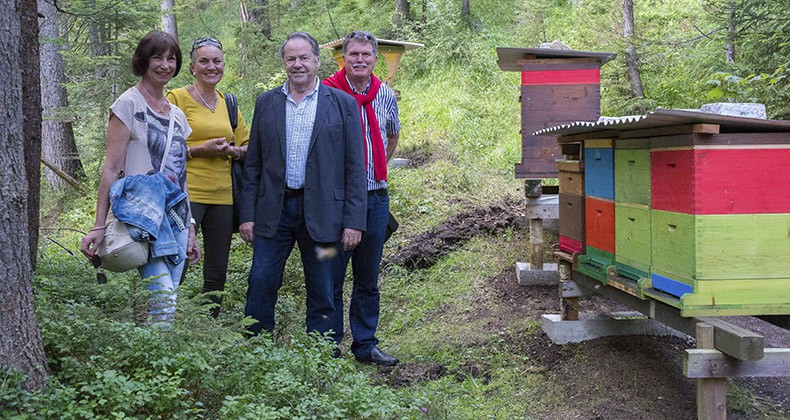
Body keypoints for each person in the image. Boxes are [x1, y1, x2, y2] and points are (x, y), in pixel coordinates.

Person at [239, 32, 367, 339]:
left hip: (325, 216)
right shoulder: (267, 103)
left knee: (324, 285)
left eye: (304, 58)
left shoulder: (342, 104)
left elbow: (355, 168)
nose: (298, 65)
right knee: (261, 279)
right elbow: (253, 164)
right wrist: (247, 214)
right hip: (274, 212)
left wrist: (353, 221)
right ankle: (255, 347)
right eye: (291, 58)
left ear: (317, 61)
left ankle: (323, 355)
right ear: (284, 63)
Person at [80, 30, 201, 323]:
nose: (165, 65)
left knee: (168, 294)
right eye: (157, 57)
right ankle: (157, 362)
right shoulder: (127, 105)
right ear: (143, 61)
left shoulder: (177, 115)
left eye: (171, 59)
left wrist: (192, 226)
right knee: (164, 299)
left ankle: (152, 354)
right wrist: (99, 225)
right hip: (142, 217)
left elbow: (180, 174)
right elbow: (111, 168)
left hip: (175, 218)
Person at [322, 31, 401, 366]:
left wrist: (376, 168)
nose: (359, 60)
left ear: (375, 57)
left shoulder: (384, 93)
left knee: (367, 277)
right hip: (336, 200)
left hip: (376, 197)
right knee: (331, 274)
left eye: (366, 54)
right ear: (343, 57)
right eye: (353, 54)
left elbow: (393, 133)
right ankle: (328, 347)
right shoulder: (326, 91)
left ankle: (365, 344)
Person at [167, 37, 250, 317]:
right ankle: (164, 322)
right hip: (186, 194)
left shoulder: (229, 103)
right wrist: (200, 150)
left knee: (217, 268)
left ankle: (209, 326)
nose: (210, 67)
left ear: (224, 65)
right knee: (177, 260)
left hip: (223, 195)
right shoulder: (177, 98)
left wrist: (233, 152)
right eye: (204, 61)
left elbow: (248, 146)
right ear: (191, 67)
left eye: (216, 61)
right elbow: (163, 147)